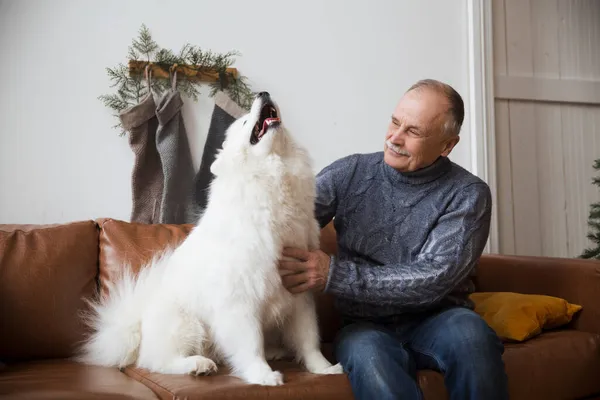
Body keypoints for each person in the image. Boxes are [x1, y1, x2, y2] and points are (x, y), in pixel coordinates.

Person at [278, 79, 509, 400]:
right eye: (395, 122)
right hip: (363, 326)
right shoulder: (350, 173)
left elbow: (434, 278)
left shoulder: (468, 194)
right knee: (370, 359)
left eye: (413, 132)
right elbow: (286, 220)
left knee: (472, 338)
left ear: (447, 145)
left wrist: (335, 274)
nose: (394, 138)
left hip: (440, 319)